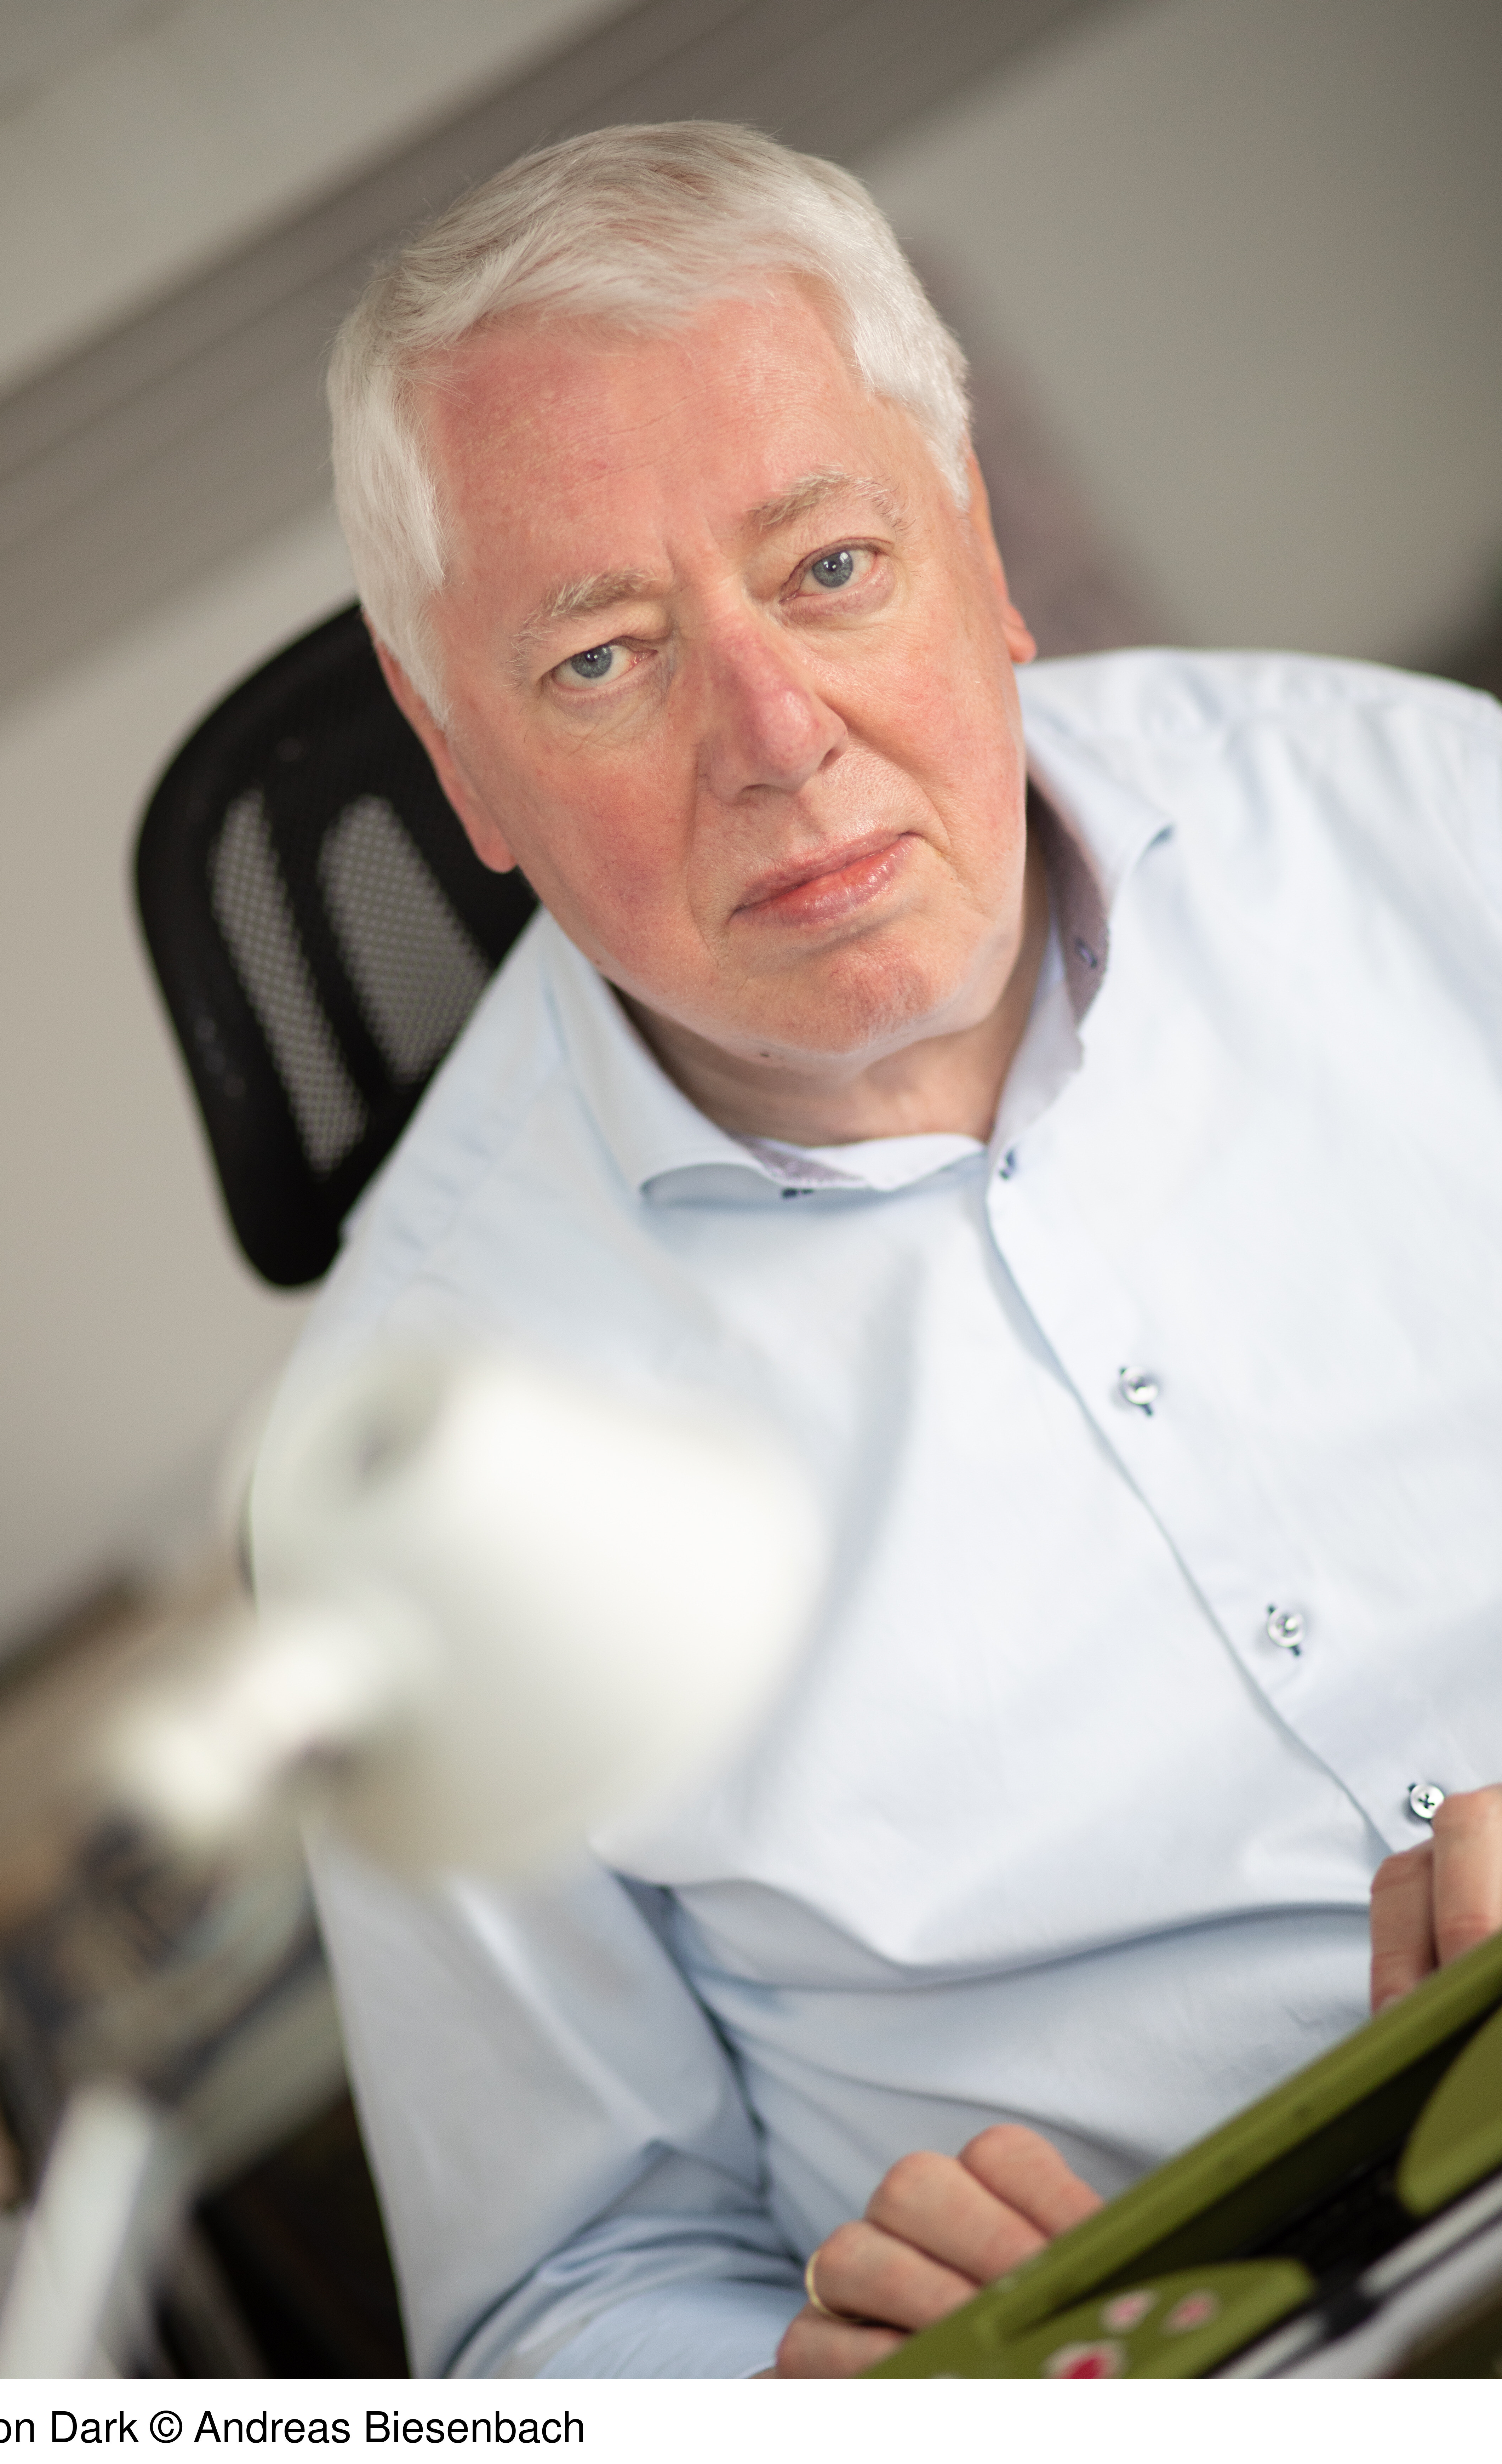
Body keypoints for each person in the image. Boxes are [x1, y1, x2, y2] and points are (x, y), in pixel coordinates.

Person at [252, 121, 1502, 2378]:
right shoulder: (404, 1467)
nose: (775, 734)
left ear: (978, 548)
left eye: (829, 567)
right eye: (607, 657)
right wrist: (797, 2399)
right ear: (462, 770)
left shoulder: (1428, 819)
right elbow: (555, 2307)